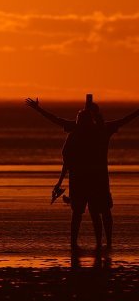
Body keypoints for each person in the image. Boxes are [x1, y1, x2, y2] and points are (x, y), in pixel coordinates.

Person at [27, 97, 139, 249]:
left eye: (81, 119)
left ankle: (99, 242)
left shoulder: (92, 130)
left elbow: (56, 120)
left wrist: (38, 109)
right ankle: (88, 243)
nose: (79, 122)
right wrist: (38, 109)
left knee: (96, 212)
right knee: (87, 212)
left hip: (93, 180)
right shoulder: (90, 130)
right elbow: (56, 120)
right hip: (88, 180)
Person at [52, 109, 105, 250]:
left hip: (83, 180)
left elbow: (66, 162)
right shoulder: (94, 136)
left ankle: (80, 243)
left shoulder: (78, 136)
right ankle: (93, 243)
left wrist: (60, 182)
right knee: (90, 213)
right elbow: (67, 162)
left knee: (82, 213)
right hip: (88, 180)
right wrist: (59, 182)